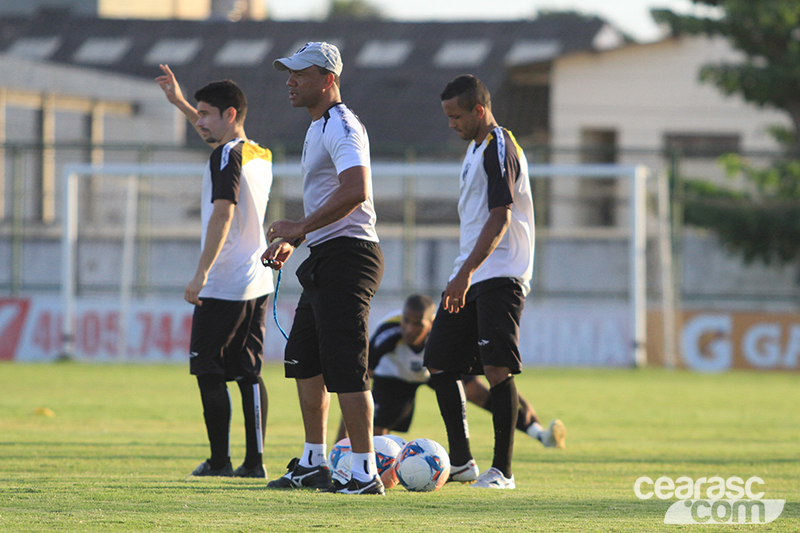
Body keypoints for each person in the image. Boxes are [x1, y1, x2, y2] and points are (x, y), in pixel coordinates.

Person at [261, 42, 385, 495]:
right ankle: (315, 462)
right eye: (289, 74)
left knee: (347, 367)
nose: (290, 81)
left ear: (329, 80)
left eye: (301, 74)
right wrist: (295, 240)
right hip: (326, 254)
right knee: (305, 360)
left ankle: (365, 472)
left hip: (351, 256)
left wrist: (299, 225)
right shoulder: (318, 127)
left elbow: (357, 190)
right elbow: (333, 197)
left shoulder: (342, 126)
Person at [156, 65, 273, 478]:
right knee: (248, 372)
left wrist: (200, 274)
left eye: (206, 114)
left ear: (229, 115)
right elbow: (214, 133)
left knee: (209, 372)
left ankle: (220, 462)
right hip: (258, 280)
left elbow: (223, 213)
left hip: (224, 281)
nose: (199, 121)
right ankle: (255, 463)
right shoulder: (259, 153)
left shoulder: (226, 155)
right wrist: (181, 103)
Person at [424, 74, 536, 490]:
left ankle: (502, 472)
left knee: (496, 367)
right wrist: (463, 273)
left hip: (500, 272)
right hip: (470, 272)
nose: (451, 123)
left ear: (479, 110)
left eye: (456, 116)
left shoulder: (498, 146)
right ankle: (462, 462)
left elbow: (501, 215)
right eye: (447, 116)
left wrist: (466, 272)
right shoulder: (473, 150)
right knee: (438, 361)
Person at [335, 294, 566, 449]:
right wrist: (339, 439)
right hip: (394, 376)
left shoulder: (441, 337)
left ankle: (539, 434)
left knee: (475, 391)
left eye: (417, 324)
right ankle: (347, 457)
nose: (408, 328)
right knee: (376, 431)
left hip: (431, 372)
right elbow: (357, 383)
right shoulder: (388, 333)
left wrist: (521, 401)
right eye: (406, 321)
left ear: (431, 324)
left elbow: (490, 371)